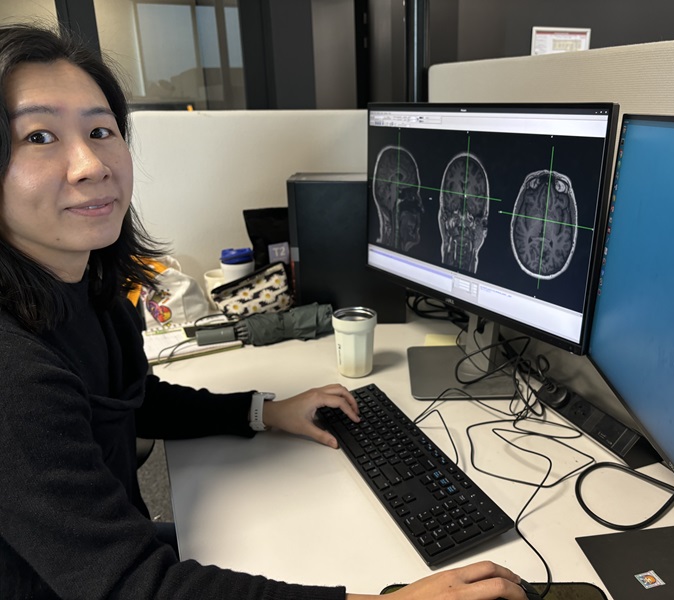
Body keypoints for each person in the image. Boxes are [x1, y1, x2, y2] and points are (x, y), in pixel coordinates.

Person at [0, 23, 529, 600]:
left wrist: (265, 412)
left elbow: (134, 399)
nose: (90, 164)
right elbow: (132, 586)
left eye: (100, 130)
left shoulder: (88, 289)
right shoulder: (14, 372)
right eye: (38, 137)